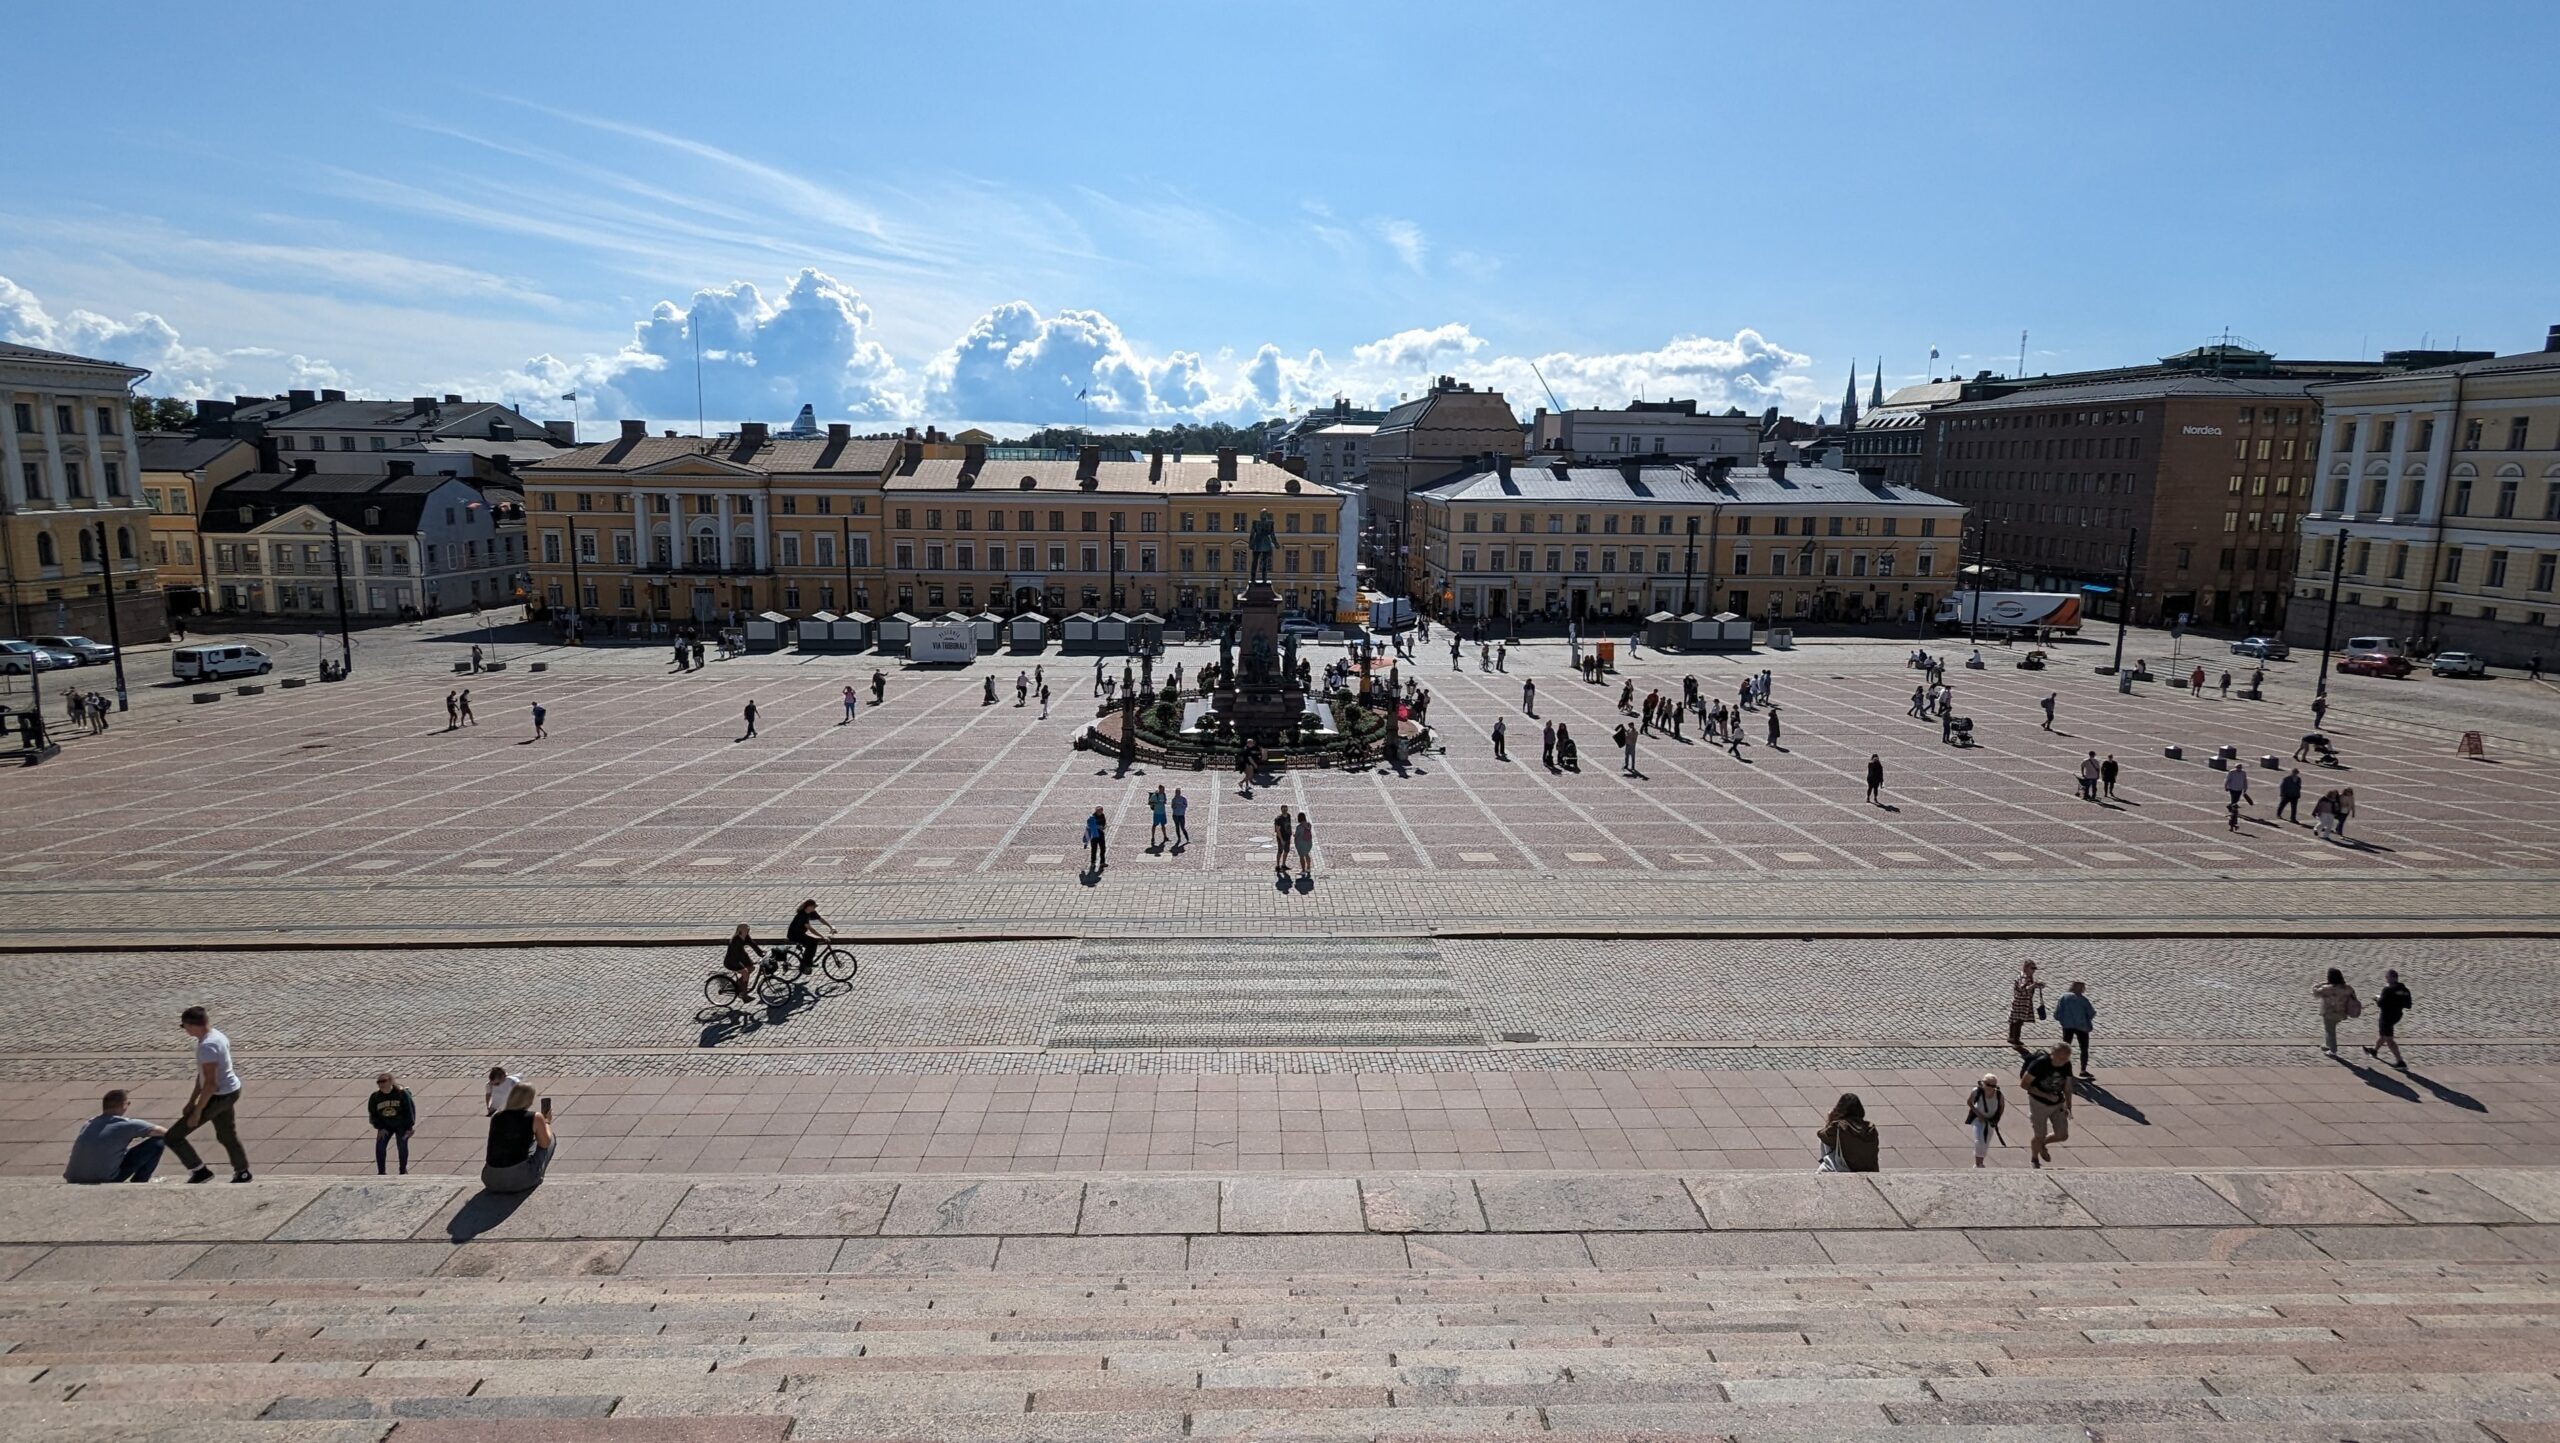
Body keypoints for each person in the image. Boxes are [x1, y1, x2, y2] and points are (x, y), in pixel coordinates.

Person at [164, 1007, 251, 1184]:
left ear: (191, 1025)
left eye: (184, 1026)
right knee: (227, 1134)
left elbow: (210, 1083)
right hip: (231, 1090)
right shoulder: (216, 1035)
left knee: (173, 1136)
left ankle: (199, 1170)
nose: (185, 1030)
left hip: (218, 1096)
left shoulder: (207, 1046)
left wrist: (197, 1111)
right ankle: (242, 1171)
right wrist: (191, 1100)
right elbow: (203, 1076)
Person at [64, 1089, 167, 1184]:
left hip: (73, 1177)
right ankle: (141, 1180)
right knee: (158, 1142)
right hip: (106, 1178)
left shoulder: (89, 1123)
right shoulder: (126, 1124)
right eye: (128, 1103)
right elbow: (164, 1133)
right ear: (123, 1105)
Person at [481, 1083, 554, 1194]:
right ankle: (537, 1174)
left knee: (528, 1143)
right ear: (529, 1100)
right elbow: (545, 1143)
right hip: (520, 1180)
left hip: (490, 1179)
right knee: (550, 1138)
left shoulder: (497, 1117)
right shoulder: (535, 1116)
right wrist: (547, 1121)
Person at [2020, 1042, 2074, 1168]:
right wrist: (2045, 1095)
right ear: (2053, 1054)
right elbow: (2024, 1084)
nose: (2064, 1061)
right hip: (2038, 1103)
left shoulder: (2066, 1064)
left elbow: (2068, 1086)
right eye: (2061, 1058)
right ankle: (2034, 1158)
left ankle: (2042, 1144)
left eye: (2066, 1058)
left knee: (2062, 1135)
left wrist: (2069, 1105)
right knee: (2039, 1135)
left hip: (2057, 1102)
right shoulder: (2039, 1064)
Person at [1815, 1093, 1879, 1172]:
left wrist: (1830, 1120)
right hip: (1869, 1167)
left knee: (1825, 1139)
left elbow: (1821, 1135)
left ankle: (1827, 1162)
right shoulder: (1870, 1128)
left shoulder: (1839, 1126)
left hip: (1848, 1166)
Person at [368, 1073, 416, 1176]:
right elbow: (373, 1114)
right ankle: (381, 1172)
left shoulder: (402, 1094)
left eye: (383, 1081)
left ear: (390, 1081)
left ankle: (403, 1170)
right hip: (385, 1126)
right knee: (380, 1146)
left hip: (401, 1125)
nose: (381, 1084)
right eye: (378, 1082)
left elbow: (410, 1111)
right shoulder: (375, 1097)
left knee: (402, 1145)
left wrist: (409, 1127)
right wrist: (380, 1127)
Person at [2366, 968, 2412, 1067]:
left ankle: (2400, 1061)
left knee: (2389, 1039)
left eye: (2387, 977)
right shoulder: (2405, 990)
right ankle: (2374, 1050)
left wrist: (2377, 998)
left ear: (2391, 978)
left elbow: (2381, 1003)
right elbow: (2408, 1005)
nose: (2386, 979)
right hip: (2397, 1015)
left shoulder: (2387, 990)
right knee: (2384, 1035)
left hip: (2386, 1016)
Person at [2053, 981, 2095, 1077]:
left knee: (2065, 1048)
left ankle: (2063, 1068)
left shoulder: (2063, 997)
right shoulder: (2083, 1000)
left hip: (2067, 1026)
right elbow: (2091, 1012)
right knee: (2084, 1048)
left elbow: (2057, 1013)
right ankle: (2083, 1070)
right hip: (2082, 1026)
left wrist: (2063, 1020)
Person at [1963, 1075, 2005, 1169]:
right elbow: (1970, 1102)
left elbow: (2002, 1106)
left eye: (1993, 1085)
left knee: (1986, 1141)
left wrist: (1997, 1119)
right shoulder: (1976, 1091)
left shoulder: (1998, 1094)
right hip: (1978, 1119)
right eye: (1988, 1084)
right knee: (1979, 1140)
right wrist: (1978, 1114)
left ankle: (1981, 1162)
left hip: (1991, 1120)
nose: (1990, 1087)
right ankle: (1977, 1164)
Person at [2315, 967, 2359, 1055]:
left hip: (2329, 1013)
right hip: (2342, 1012)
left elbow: (2315, 992)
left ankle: (2333, 1050)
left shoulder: (2327, 988)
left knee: (2330, 1031)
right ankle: (2328, 1044)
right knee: (2330, 1029)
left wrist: (2322, 983)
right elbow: (2353, 996)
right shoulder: (2347, 988)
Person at [2006, 960, 2043, 1055]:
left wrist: (2036, 985)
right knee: (2018, 1022)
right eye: (2032, 968)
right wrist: (2034, 985)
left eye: (2035, 968)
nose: (2034, 970)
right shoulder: (2024, 977)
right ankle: (2015, 1041)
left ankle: (2011, 1038)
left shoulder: (2028, 976)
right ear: (2026, 967)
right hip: (2021, 1002)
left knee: (2015, 1020)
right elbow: (2023, 988)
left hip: (2022, 1002)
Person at [787, 899, 831, 974]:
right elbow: (811, 929)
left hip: (800, 933)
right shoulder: (802, 916)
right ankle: (805, 965)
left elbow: (820, 919)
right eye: (814, 907)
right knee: (812, 942)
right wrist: (822, 937)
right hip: (794, 935)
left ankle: (809, 961)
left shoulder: (811, 912)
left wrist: (830, 927)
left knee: (812, 943)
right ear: (809, 907)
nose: (815, 908)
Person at [2223, 762, 2251, 832]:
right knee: (2234, 801)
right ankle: (2233, 813)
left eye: (2240, 767)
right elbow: (2227, 779)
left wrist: (2245, 789)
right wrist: (2225, 786)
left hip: (2239, 789)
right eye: (2238, 767)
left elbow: (2245, 781)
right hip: (2232, 788)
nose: (2239, 768)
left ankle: (2229, 806)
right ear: (2235, 767)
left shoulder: (2243, 773)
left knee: (2236, 800)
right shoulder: (2232, 772)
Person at [1084, 807, 1108, 873]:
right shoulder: (1092, 817)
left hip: (1101, 835)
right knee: (1094, 849)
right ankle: (1093, 862)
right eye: (1099, 811)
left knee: (1103, 848)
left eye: (1101, 811)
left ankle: (1102, 862)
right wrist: (1086, 842)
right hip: (1094, 835)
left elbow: (1104, 823)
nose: (1101, 812)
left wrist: (1103, 827)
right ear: (1096, 811)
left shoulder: (1102, 815)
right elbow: (1088, 827)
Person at [1272, 806, 1294, 876]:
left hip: (1287, 836)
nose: (1285, 810)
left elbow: (1289, 825)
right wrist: (1281, 840)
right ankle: (1278, 866)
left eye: (1286, 808)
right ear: (1281, 810)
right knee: (1280, 851)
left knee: (1286, 851)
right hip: (1281, 838)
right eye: (1283, 809)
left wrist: (1291, 833)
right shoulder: (1278, 819)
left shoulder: (1288, 816)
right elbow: (1277, 830)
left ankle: (1283, 864)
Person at [1293, 810, 1314, 880]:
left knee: (1301, 856)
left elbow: (1296, 835)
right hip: (1308, 843)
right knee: (1307, 854)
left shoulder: (1299, 827)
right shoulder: (1309, 825)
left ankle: (1303, 870)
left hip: (1301, 844)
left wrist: (1293, 834)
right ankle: (1308, 867)